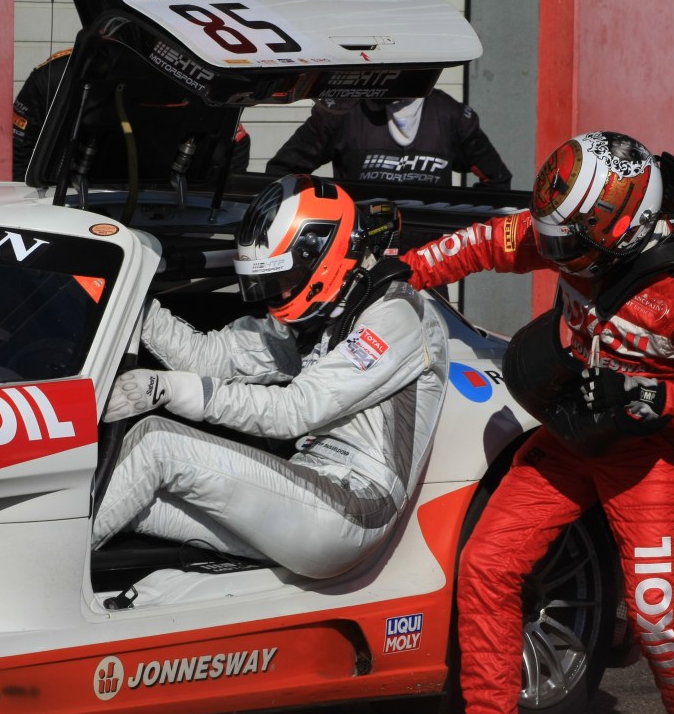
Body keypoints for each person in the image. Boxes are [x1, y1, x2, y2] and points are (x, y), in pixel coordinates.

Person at [403, 131, 674, 714]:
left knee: (655, 616)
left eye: (569, 246)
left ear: (630, 223)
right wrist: (402, 270)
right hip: (566, 436)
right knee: (487, 566)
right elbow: (488, 243)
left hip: (644, 460)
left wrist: (656, 397)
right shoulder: (579, 225)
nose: (555, 255)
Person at [92, 174, 449, 579]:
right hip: (305, 493)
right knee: (132, 495)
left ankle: (40, 575)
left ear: (319, 255)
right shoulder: (323, 312)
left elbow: (293, 412)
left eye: (281, 279)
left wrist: (170, 389)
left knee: (157, 443)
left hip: (352, 506)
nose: (275, 293)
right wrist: (131, 293)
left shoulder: (396, 316)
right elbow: (206, 357)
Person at [11, 49, 251, 182]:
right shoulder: (57, 74)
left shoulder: (191, 74)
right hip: (67, 208)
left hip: (165, 215)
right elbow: (18, 152)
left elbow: (235, 141)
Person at [266, 89, 512, 189]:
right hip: (354, 263)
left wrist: (461, 241)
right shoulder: (343, 111)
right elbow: (281, 172)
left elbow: (498, 181)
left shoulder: (451, 116)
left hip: (431, 266)